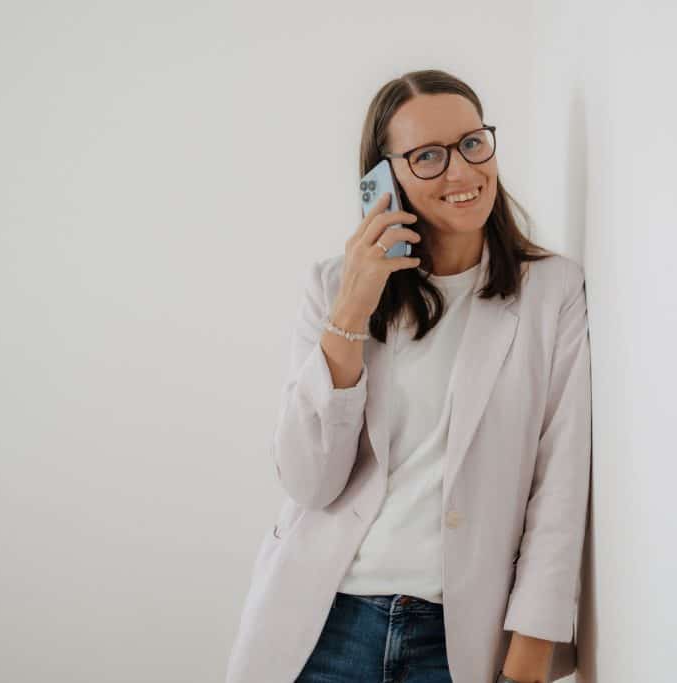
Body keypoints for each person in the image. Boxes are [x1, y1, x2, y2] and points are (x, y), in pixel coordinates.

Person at [225, 69, 592, 683]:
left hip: (457, 641)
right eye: (427, 156)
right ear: (384, 178)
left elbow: (560, 482)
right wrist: (351, 311)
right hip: (325, 629)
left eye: (473, 143)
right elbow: (308, 482)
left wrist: (529, 657)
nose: (461, 172)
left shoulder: (551, 292)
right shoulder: (333, 287)